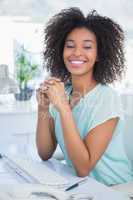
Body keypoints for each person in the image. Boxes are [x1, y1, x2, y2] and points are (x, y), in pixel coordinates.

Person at [36, 7, 133, 186]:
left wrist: (63, 107)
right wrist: (43, 107)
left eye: (87, 46)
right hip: (79, 188)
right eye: (70, 45)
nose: (77, 53)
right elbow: (45, 152)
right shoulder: (62, 92)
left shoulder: (107, 98)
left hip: (115, 189)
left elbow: (83, 168)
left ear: (99, 55)